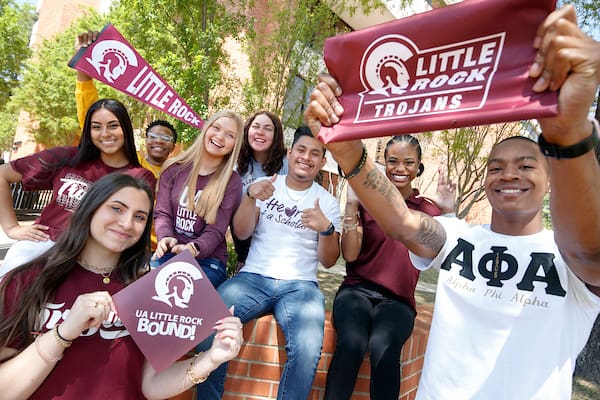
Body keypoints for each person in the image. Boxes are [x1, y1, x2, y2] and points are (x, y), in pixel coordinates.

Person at [304, 5, 600, 399]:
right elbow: (401, 222)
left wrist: (568, 134)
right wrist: (347, 152)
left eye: (526, 166)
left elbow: (589, 250)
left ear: (549, 181)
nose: (508, 174)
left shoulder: (571, 257)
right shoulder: (457, 237)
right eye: (496, 167)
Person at [0, 172, 243, 400]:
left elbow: (150, 385)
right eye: (116, 208)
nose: (127, 223)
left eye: (140, 217)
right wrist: (62, 333)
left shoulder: (150, 289)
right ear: (90, 208)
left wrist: (210, 359)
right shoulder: (26, 281)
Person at [195, 126, 342, 400]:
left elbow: (329, 261)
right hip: (253, 277)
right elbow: (242, 233)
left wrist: (326, 229)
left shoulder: (328, 202)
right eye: (301, 150)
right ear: (290, 153)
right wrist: (250, 197)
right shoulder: (267, 185)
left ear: (323, 161)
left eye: (315, 153)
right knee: (209, 327)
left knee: (307, 350)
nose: (306, 157)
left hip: (301, 286)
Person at [325, 135, 454, 400]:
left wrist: (448, 213)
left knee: (383, 347)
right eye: (393, 161)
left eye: (409, 162)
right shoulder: (369, 201)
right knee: (351, 343)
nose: (400, 168)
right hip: (356, 292)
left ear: (419, 166)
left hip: (398, 302)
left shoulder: (428, 210)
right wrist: (351, 204)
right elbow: (350, 254)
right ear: (384, 163)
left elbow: (449, 258)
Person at [0, 98, 156, 276]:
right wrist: (12, 228)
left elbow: (134, 227)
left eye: (113, 126)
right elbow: (3, 174)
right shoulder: (66, 157)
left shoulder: (140, 177)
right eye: (96, 127)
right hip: (41, 247)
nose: (105, 134)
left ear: (125, 128)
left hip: (92, 260)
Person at [151, 110, 244, 288]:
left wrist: (194, 248)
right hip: (170, 252)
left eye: (230, 135)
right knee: (145, 292)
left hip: (208, 260)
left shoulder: (232, 182)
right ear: (206, 128)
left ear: (235, 145)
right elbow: (162, 213)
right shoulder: (173, 168)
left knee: (187, 295)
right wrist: (165, 237)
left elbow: (216, 231)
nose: (220, 136)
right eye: (216, 128)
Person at [75, 31, 178, 178]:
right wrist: (83, 65)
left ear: (173, 146)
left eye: (166, 138)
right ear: (145, 140)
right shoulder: (129, 162)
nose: (159, 141)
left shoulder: (179, 176)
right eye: (153, 136)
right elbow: (90, 116)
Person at [233, 110, 288, 268]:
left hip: (276, 241)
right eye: (255, 126)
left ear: (276, 136)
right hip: (243, 238)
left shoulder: (286, 164)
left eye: (267, 129)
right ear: (247, 131)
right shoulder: (236, 162)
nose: (260, 132)